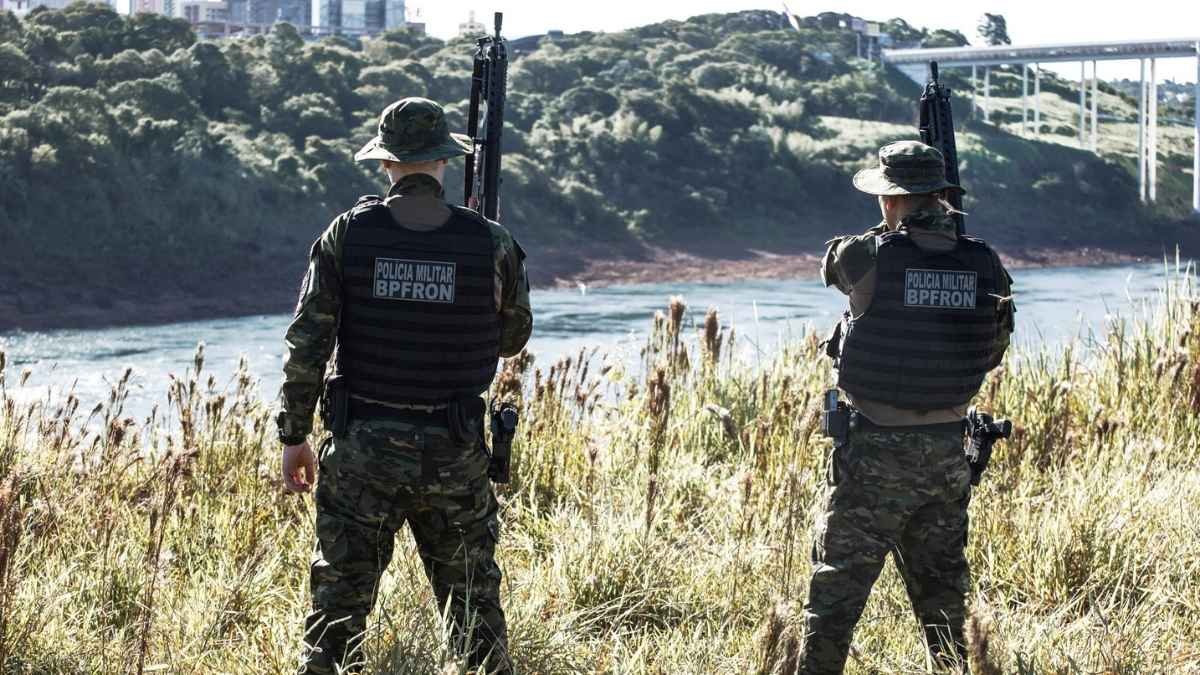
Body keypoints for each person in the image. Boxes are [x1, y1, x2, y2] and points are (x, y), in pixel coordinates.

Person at [275, 96, 532, 675]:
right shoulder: (490, 240)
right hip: (454, 450)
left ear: (386, 162)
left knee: (337, 612)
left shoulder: (346, 234)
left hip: (361, 449)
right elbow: (512, 338)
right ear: (444, 161)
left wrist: (294, 435)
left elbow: (308, 341)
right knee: (474, 613)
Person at [799, 140, 1014, 673]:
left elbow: (833, 266)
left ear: (891, 198)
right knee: (943, 599)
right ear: (942, 195)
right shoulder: (985, 262)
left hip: (873, 454)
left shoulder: (866, 254)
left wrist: (898, 232)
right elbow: (993, 350)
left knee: (836, 596)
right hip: (947, 455)